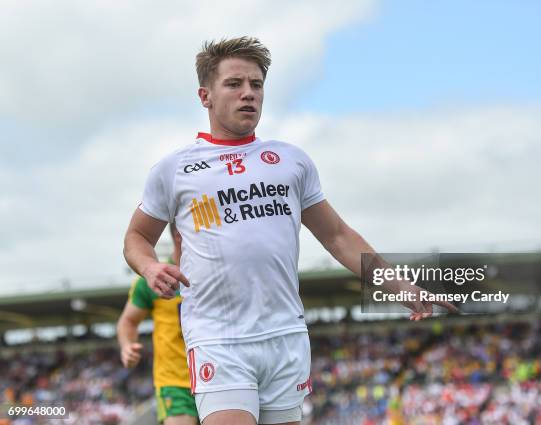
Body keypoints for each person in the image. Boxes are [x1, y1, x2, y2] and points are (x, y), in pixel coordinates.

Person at [123, 36, 457, 425]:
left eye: (256, 85)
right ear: (206, 96)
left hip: (285, 336)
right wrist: (149, 267)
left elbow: (337, 236)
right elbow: (136, 238)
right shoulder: (174, 169)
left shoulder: (289, 161)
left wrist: (399, 286)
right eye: (234, 84)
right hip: (218, 339)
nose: (248, 94)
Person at [117, 224, 198, 425]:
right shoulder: (154, 278)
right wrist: (127, 345)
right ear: (180, 235)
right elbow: (128, 321)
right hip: (175, 383)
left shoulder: (218, 275)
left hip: (220, 375)